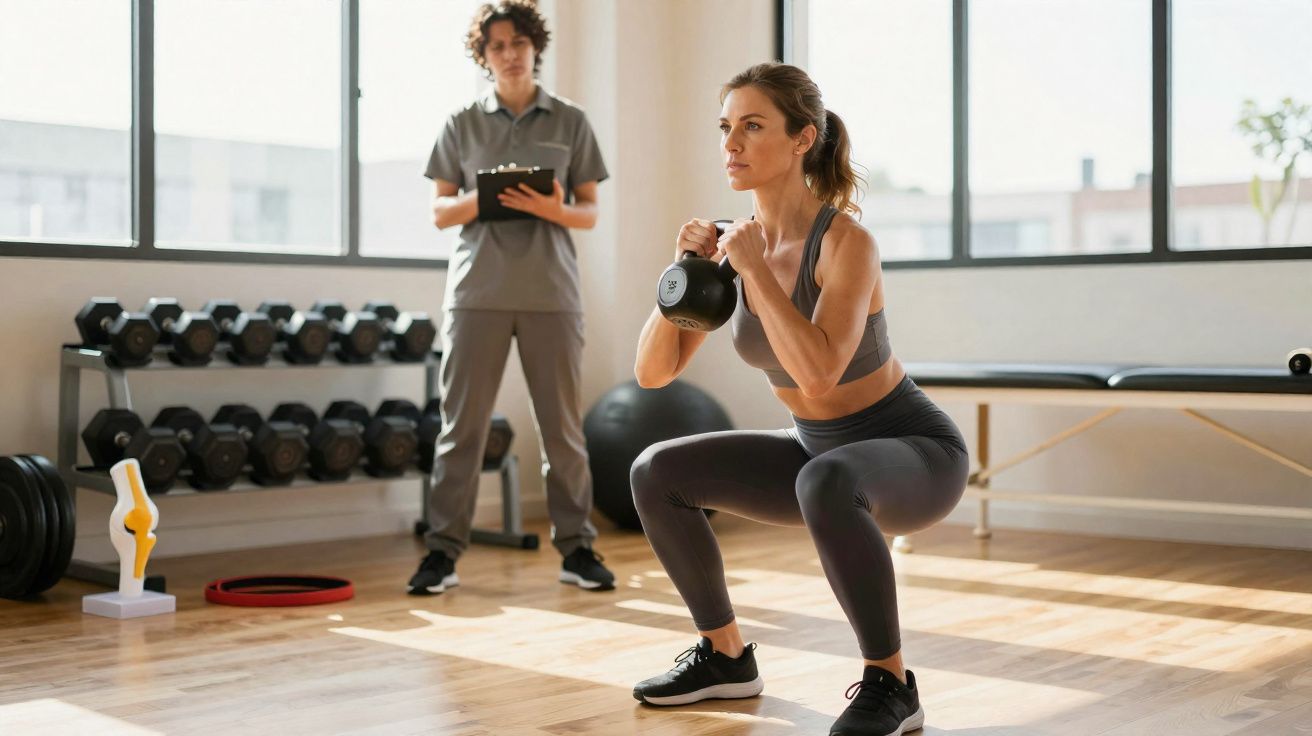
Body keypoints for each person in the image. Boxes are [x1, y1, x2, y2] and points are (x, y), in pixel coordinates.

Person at [629, 62, 969, 736]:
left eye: (752, 126)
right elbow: (653, 373)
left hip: (915, 452)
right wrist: (684, 277)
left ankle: (891, 684)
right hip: (816, 455)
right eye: (726, 127)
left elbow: (818, 375)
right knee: (655, 471)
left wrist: (757, 271)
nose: (731, 142)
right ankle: (726, 659)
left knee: (829, 478)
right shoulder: (735, 249)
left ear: (801, 138)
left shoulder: (846, 242)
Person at [412, 0, 614, 596]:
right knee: (461, 431)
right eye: (497, 45)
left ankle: (577, 550)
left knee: (563, 430)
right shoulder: (461, 124)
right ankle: (442, 553)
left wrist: (548, 208)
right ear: (485, 56)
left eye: (518, 43)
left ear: (535, 48)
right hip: (477, 294)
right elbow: (440, 212)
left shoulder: (571, 121)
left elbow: (590, 212)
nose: (509, 54)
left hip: (552, 294)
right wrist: (489, 197)